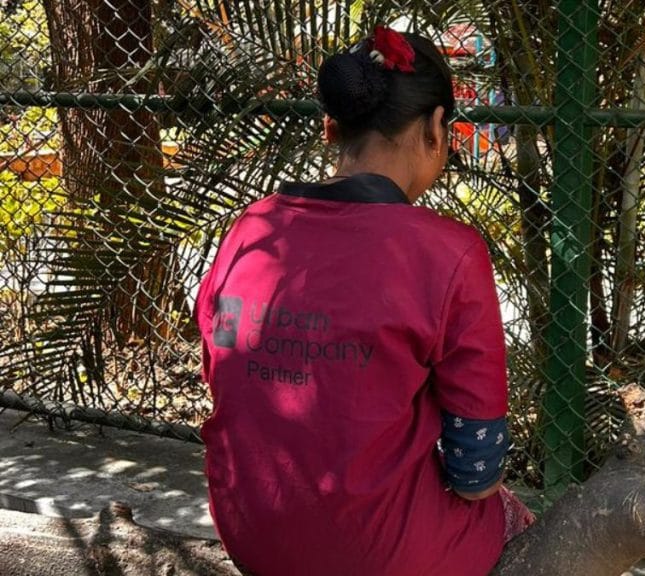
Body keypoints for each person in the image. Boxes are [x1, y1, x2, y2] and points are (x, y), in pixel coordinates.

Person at [194, 25, 533, 576]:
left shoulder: (251, 229)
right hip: (379, 557)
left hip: (248, 532)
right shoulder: (449, 254)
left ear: (332, 127)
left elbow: (227, 382)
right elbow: (475, 473)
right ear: (438, 128)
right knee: (513, 519)